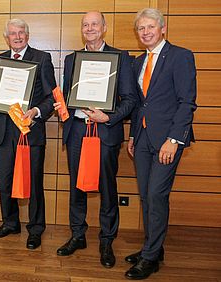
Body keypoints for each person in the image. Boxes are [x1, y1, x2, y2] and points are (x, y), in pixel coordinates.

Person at [53, 11, 137, 268]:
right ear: (82, 29)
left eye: (94, 24)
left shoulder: (120, 58)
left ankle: (107, 240)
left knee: (107, 189)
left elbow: (131, 100)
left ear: (104, 28)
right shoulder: (71, 60)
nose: (90, 28)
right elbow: (67, 95)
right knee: (76, 187)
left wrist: (108, 117)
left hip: (105, 132)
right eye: (85, 25)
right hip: (77, 130)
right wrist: (62, 107)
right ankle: (78, 235)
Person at [125, 8, 197, 280]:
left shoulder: (180, 56)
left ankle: (150, 257)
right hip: (142, 139)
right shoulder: (137, 62)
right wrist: (133, 135)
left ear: (162, 28)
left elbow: (187, 102)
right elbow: (139, 105)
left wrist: (173, 140)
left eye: (150, 27)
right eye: (141, 28)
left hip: (168, 140)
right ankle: (152, 248)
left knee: (156, 195)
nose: (145, 32)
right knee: (146, 196)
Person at [0, 19, 56, 249]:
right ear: (7, 37)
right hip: (3, 132)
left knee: (33, 184)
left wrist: (36, 110)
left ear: (28, 34)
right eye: (13, 33)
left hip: (29, 133)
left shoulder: (42, 59)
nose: (17, 37)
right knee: (5, 182)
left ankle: (35, 229)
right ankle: (10, 223)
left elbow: (52, 97)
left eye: (21, 32)